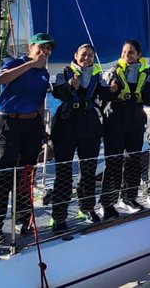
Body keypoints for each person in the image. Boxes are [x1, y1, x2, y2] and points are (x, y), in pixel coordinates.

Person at [0, 33, 54, 244]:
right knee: (4, 173)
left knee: (26, 174)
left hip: (31, 124)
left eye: (49, 48)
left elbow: (41, 100)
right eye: (42, 47)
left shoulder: (44, 73)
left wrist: (42, 125)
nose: (45, 52)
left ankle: (22, 218)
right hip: (7, 122)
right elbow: (1, 79)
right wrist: (30, 65)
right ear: (31, 47)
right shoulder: (15, 63)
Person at [48, 43, 110, 233]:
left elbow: (106, 95)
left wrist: (112, 89)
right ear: (76, 55)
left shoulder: (98, 76)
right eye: (83, 55)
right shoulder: (64, 73)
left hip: (89, 124)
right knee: (64, 172)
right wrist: (69, 86)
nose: (87, 58)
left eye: (90, 55)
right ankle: (59, 216)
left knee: (89, 169)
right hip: (66, 124)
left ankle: (87, 207)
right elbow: (57, 93)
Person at [102, 40, 150, 214]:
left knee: (133, 160)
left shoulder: (146, 75)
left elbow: (147, 101)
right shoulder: (112, 72)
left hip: (135, 119)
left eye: (131, 53)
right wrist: (111, 92)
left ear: (138, 55)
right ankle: (108, 203)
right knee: (113, 161)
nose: (126, 56)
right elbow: (103, 97)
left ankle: (129, 197)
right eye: (124, 52)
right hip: (115, 118)